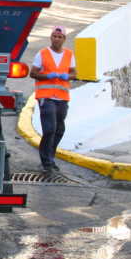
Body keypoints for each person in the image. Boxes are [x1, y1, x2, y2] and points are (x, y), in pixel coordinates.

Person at [31, 25, 76, 173]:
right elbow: (33, 73)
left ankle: (50, 156)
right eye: (54, 36)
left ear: (64, 39)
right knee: (49, 129)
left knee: (59, 129)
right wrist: (47, 76)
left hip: (62, 97)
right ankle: (47, 162)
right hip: (46, 96)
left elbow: (73, 73)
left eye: (59, 37)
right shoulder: (42, 53)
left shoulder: (69, 54)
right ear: (51, 37)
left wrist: (67, 76)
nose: (56, 39)